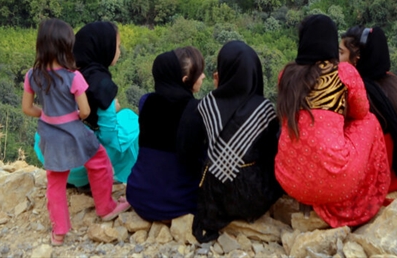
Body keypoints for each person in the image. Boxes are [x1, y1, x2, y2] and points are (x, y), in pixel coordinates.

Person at [21, 19, 130, 246]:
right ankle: (106, 207)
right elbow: (85, 111)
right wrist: (72, 117)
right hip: (74, 133)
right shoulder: (74, 77)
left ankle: (59, 231)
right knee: (99, 163)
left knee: (55, 182)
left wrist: (48, 115)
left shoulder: (33, 75)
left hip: (50, 135)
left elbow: (27, 109)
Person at [275, 15, 390, 228]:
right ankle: (363, 199)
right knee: (370, 122)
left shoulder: (286, 75)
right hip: (335, 184)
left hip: (289, 178)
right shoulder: (344, 72)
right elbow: (361, 112)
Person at [177, 41, 282, 243]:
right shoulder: (265, 110)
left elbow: (189, 152)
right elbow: (272, 156)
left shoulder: (206, 105)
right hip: (255, 198)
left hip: (214, 198)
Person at [340, 26, 397, 193]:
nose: (336, 59)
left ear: (357, 58)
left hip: (388, 176)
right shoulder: (393, 81)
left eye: (341, 53)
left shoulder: (359, 92)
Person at [126, 47, 205, 222]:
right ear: (186, 80)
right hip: (178, 202)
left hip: (138, 197)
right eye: (199, 73)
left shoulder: (145, 102)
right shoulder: (198, 110)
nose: (203, 76)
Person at [66, 21, 140, 188]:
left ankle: (76, 180)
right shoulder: (101, 84)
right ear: (103, 47)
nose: (119, 51)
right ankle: (129, 178)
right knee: (131, 120)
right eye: (118, 46)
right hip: (80, 166)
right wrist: (113, 109)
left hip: (54, 159)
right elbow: (109, 137)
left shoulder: (67, 74)